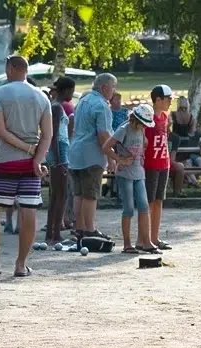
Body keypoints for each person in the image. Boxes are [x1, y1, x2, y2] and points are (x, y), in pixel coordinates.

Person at [0, 55, 52, 277]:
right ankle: (20, 264)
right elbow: (47, 135)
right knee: (28, 211)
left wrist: (26, 150)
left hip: (5, 160)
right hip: (32, 164)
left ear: (10, 69)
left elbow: (1, 131)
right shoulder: (41, 96)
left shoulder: (0, 93)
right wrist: (36, 157)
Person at [104, 104, 160, 254]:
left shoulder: (141, 130)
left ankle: (146, 242)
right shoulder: (124, 129)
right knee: (128, 208)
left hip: (138, 172)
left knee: (143, 206)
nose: (144, 126)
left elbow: (144, 143)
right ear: (136, 119)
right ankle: (127, 244)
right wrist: (119, 160)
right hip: (125, 174)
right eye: (143, 123)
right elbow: (106, 147)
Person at [68, 73, 117, 239]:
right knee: (90, 195)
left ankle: (79, 229)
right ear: (104, 88)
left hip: (75, 152)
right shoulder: (101, 105)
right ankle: (90, 230)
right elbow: (104, 136)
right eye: (113, 87)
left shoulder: (83, 101)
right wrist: (111, 158)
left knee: (79, 194)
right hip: (91, 154)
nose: (114, 91)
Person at [144, 84, 180, 251]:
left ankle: (155, 238)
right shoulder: (147, 118)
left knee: (159, 201)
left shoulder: (165, 117)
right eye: (168, 99)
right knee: (149, 202)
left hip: (163, 163)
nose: (170, 102)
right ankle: (146, 238)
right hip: (150, 164)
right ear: (157, 100)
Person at [45, 77, 74, 245]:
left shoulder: (57, 107)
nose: (71, 94)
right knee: (60, 195)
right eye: (71, 91)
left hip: (60, 152)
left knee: (56, 194)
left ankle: (51, 231)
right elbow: (54, 135)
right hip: (59, 153)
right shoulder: (56, 108)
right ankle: (55, 233)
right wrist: (58, 161)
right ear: (66, 90)